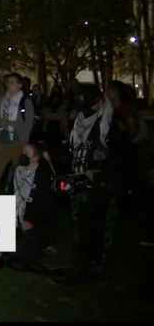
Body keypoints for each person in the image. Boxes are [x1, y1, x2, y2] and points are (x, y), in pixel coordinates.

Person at [56, 85, 118, 285]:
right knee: (79, 225)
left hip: (101, 185)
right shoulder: (82, 121)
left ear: (100, 102)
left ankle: (98, 268)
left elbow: (120, 158)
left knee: (98, 227)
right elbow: (75, 147)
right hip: (79, 181)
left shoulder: (111, 124)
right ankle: (81, 265)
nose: (84, 111)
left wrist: (100, 174)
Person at [10, 142, 57, 272]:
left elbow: (47, 210)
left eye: (27, 154)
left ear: (36, 158)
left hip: (35, 223)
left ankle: (45, 246)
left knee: (20, 251)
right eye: (23, 152)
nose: (23, 156)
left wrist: (32, 222)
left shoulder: (43, 178)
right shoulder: (19, 171)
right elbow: (13, 195)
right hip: (19, 218)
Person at [0, 73, 34, 195]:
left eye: (12, 82)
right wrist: (0, 122)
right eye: (8, 82)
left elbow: (28, 125)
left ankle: (20, 204)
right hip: (2, 141)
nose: (8, 84)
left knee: (20, 176)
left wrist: (10, 122)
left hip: (18, 142)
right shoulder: (3, 100)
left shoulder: (26, 102)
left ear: (19, 85)